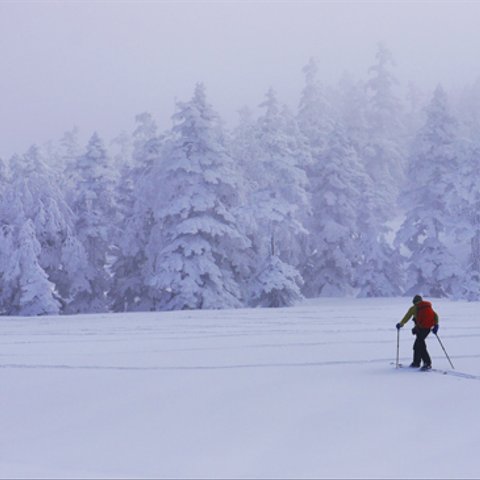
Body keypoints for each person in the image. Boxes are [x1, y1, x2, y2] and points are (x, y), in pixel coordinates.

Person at [396, 295, 439, 371]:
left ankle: (427, 363)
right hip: (427, 329)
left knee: (420, 345)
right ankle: (416, 362)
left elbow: (407, 317)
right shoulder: (427, 306)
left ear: (414, 301)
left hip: (420, 329)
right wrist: (436, 325)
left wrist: (401, 324)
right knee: (417, 345)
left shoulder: (414, 308)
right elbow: (436, 316)